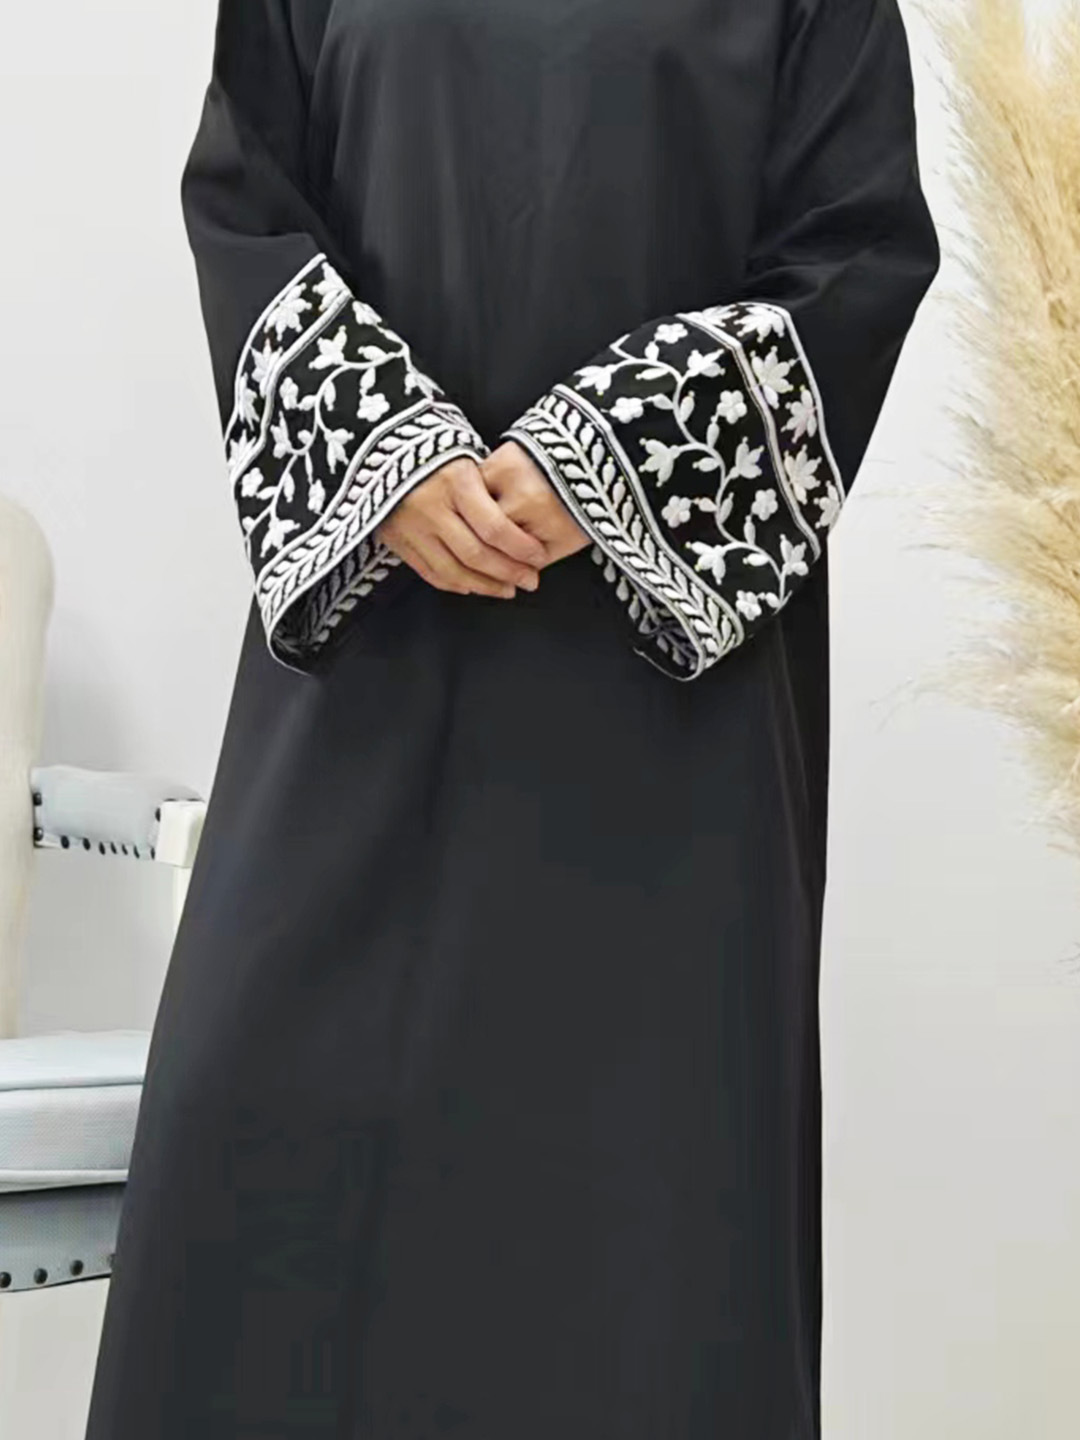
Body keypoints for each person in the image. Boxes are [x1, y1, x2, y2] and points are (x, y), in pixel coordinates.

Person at [83, 1, 939, 1436]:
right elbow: (246, 196)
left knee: (639, 1234)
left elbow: (857, 251)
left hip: (667, 734)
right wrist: (388, 458)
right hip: (369, 657)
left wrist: (606, 462)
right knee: (259, 1189)